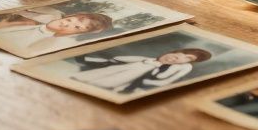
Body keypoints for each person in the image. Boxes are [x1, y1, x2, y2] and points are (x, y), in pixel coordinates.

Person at [71, 47, 212, 93]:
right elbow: (120, 59)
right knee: (99, 73)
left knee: (109, 81)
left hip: (128, 76)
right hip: (117, 68)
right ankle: (81, 80)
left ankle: (93, 87)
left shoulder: (175, 68)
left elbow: (163, 77)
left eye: (188, 59)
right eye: (180, 54)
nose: (177, 58)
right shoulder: (147, 59)